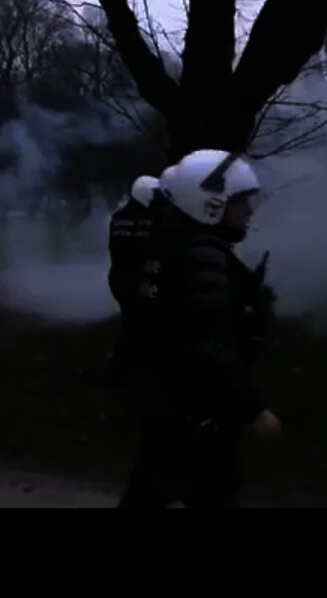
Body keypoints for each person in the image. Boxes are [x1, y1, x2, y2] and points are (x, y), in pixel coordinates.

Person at [118, 150, 279, 508]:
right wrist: (254, 408)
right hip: (195, 409)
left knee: (149, 489)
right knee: (212, 492)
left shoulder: (172, 244)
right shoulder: (203, 255)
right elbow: (209, 342)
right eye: (241, 203)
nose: (249, 211)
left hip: (165, 401)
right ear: (211, 204)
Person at [105, 175, 162, 384]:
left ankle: (123, 372)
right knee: (137, 326)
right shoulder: (150, 219)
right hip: (136, 279)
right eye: (155, 195)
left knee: (133, 323)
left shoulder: (118, 217)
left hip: (118, 276)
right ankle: (118, 375)